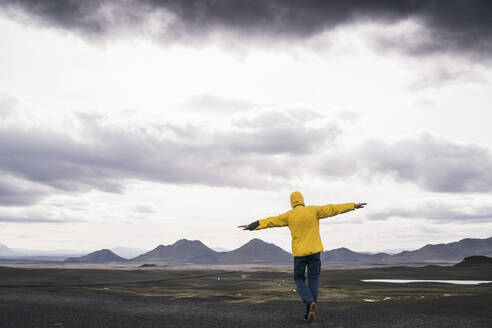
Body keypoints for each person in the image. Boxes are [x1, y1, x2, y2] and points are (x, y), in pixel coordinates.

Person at [238, 191, 367, 323]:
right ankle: (309, 312)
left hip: (300, 254)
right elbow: (332, 209)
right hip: (315, 252)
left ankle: (309, 302)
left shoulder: (289, 215)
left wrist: (252, 226)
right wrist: (352, 206)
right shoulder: (313, 210)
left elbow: (270, 221)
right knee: (313, 281)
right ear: (302, 200)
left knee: (299, 279)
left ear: (292, 202)